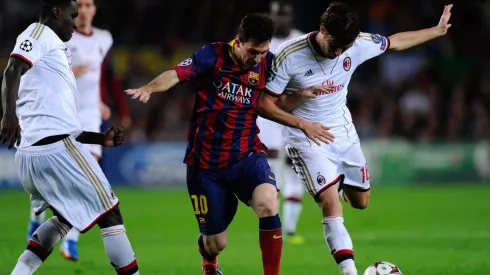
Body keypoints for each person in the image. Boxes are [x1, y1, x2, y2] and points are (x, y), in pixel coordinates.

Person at [126, 13, 333, 275]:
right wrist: (149, 87)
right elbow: (176, 74)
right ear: (238, 41)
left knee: (269, 202)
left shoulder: (267, 64)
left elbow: (273, 105)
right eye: (253, 51)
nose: (257, 58)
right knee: (216, 242)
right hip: (206, 165)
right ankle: (209, 260)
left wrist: (300, 96)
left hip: (246, 155)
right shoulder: (212, 55)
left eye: (263, 51)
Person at [265, 2, 453, 275]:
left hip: (344, 134)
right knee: (331, 203)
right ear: (322, 30)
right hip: (305, 138)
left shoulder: (356, 44)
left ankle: (332, 180)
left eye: (345, 46)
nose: (340, 52)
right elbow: (265, 105)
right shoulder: (288, 55)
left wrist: (436, 31)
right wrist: (302, 115)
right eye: (335, 45)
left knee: (360, 202)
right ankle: (349, 271)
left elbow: (394, 42)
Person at [1, 0, 139, 274]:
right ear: (55, 12)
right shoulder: (38, 33)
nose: (74, 22)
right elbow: (11, 69)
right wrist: (8, 116)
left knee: (66, 217)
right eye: (71, 15)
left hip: (35, 153)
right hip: (54, 151)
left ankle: (21, 271)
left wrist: (101, 139)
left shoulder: (55, 51)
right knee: (110, 212)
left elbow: (60, 121)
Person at [24, 0, 115, 262]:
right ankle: (36, 221)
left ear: (95, 9)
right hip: (62, 112)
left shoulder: (104, 38)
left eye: (89, 5)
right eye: (81, 5)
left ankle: (70, 241)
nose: (85, 10)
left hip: (90, 115)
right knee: (54, 185)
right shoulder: (56, 38)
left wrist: (99, 101)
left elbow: (100, 75)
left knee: (88, 181)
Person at [257, 1, 306, 245]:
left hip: (294, 113)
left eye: (285, 14)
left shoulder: (301, 40)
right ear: (271, 15)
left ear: (291, 16)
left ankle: (290, 230)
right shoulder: (261, 42)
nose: (281, 19)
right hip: (267, 116)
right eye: (277, 14)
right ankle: (274, 228)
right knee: (273, 174)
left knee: (296, 171)